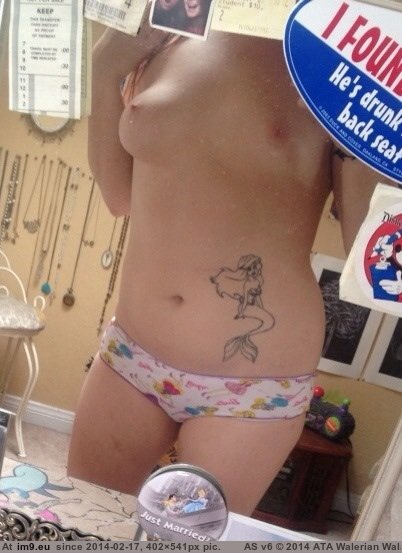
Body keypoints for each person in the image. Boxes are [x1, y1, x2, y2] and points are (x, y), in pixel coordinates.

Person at [67, 6, 396, 515]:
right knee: (84, 524)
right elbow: (118, 195)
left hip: (251, 390)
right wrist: (106, 66)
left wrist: (360, 135)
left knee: (183, 543)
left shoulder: (333, 53)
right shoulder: (171, 26)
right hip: (131, 352)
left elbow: (368, 257)